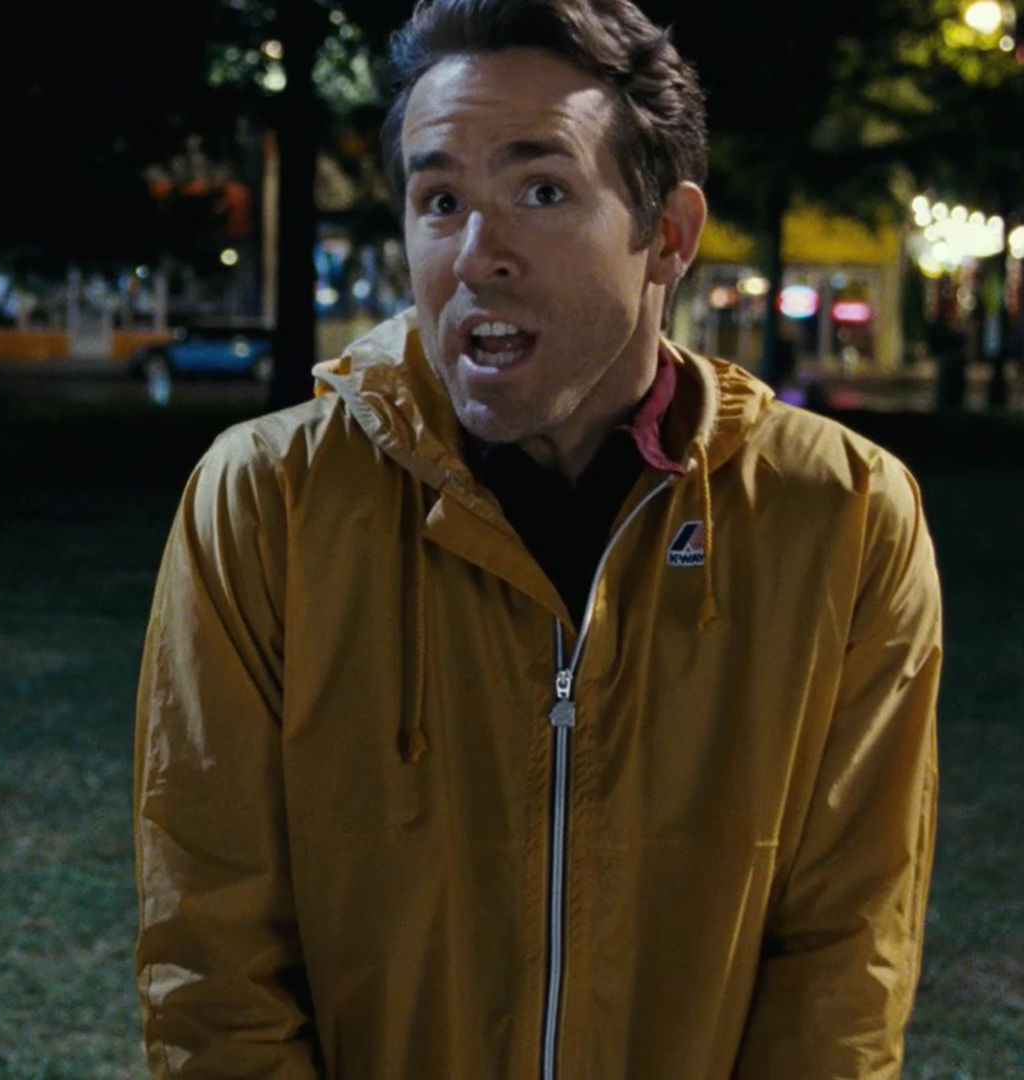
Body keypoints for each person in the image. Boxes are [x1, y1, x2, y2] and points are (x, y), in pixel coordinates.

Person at [133, 1, 942, 1076]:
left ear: (668, 237)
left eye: (542, 191)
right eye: (440, 201)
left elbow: (846, 967)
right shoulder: (267, 505)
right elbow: (213, 960)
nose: (476, 256)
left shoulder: (843, 516)